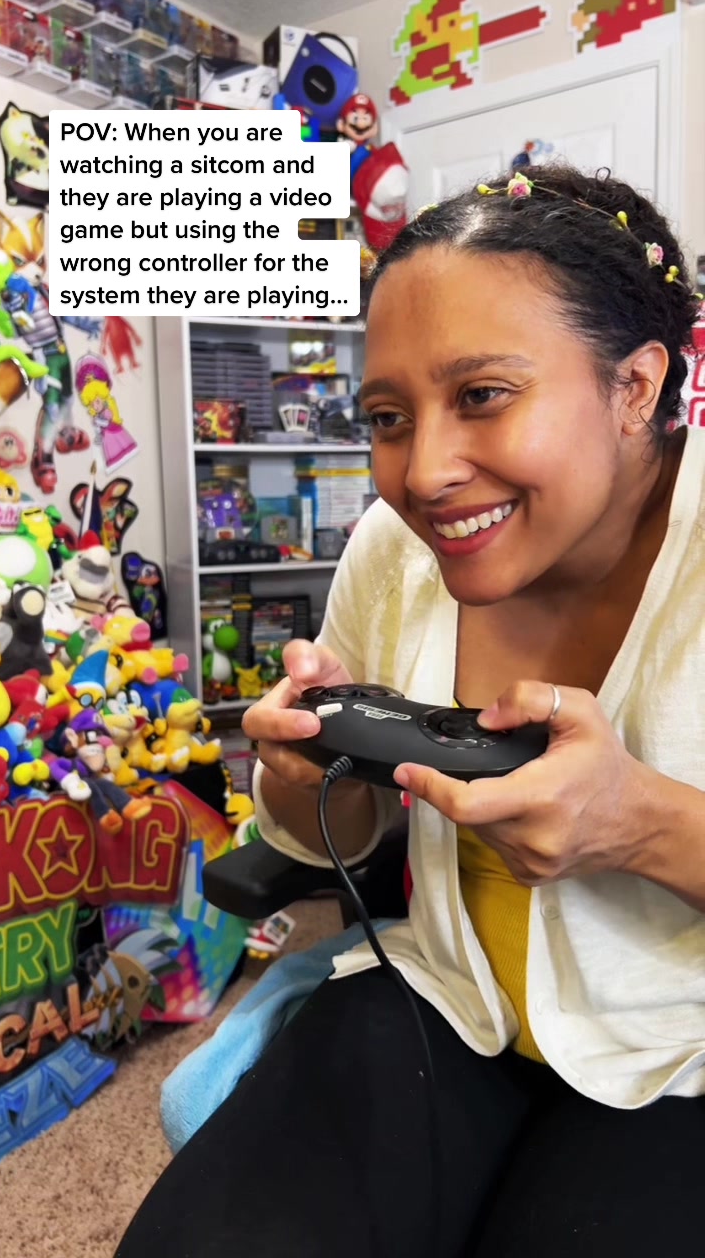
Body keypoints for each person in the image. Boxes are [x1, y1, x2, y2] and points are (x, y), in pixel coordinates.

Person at [115, 165, 705, 1257]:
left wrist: (644, 824)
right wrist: (304, 782)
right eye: (387, 416)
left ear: (634, 385)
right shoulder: (394, 553)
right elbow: (340, 839)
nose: (423, 473)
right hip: (447, 993)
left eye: (482, 394)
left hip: (683, 1050)